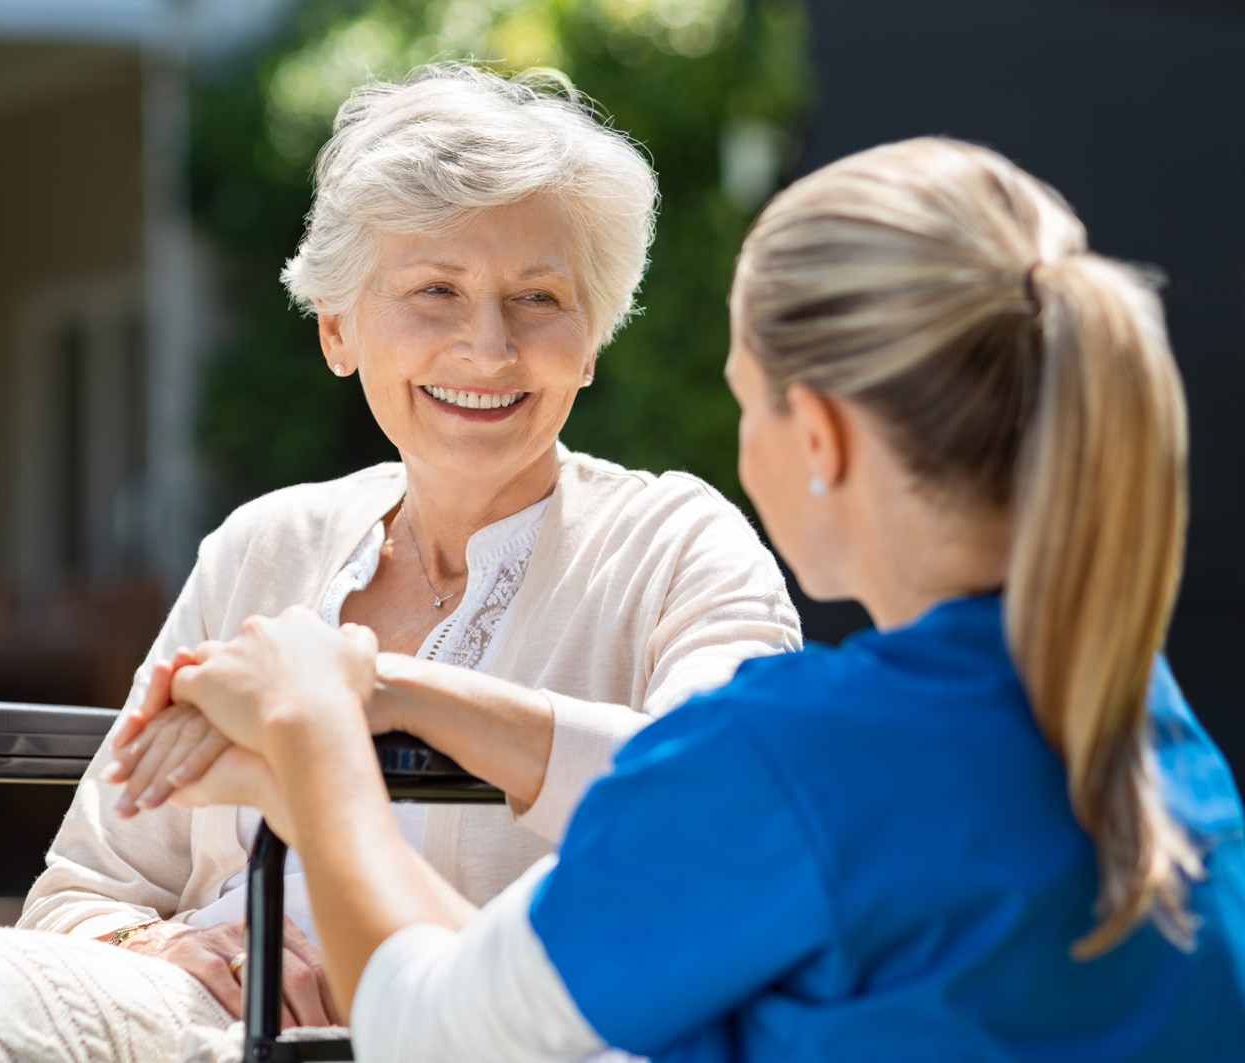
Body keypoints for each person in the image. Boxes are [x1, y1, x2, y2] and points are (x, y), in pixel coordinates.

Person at [147, 137, 1245, 1060]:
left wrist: (313, 734)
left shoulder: (794, 761)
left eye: (742, 402)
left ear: (815, 436)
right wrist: (389, 691)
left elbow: (438, 1029)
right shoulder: (1142, 724)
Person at [19, 62, 801, 1030]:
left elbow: (725, 807)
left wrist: (376, 691)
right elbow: (79, 893)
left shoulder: (679, 544)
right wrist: (169, 947)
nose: (488, 347)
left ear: (591, 340)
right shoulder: (262, 548)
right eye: (435, 290)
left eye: (539, 299)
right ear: (337, 329)